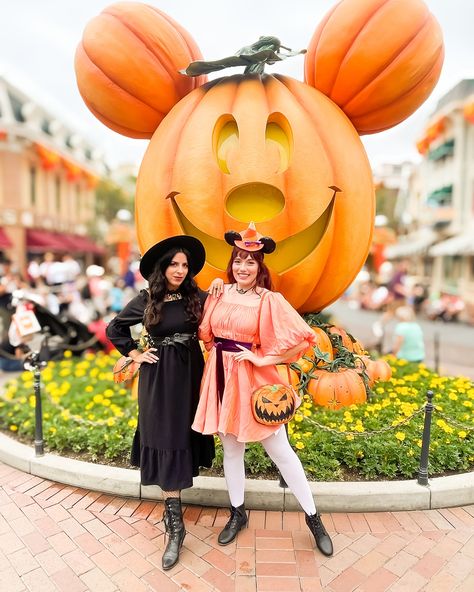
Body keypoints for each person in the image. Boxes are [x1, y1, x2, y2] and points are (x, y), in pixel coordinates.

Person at [192, 222, 333, 557]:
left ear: (260, 267)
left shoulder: (269, 299)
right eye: (238, 260)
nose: (243, 267)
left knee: (280, 451)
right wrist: (211, 288)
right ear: (232, 264)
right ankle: (237, 513)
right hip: (221, 377)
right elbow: (205, 335)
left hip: (255, 381)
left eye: (250, 262)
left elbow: (301, 338)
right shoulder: (218, 293)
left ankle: (314, 518)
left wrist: (260, 359)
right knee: (232, 451)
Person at [106, 236, 215, 570]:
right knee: (166, 439)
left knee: (183, 437)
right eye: (174, 264)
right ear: (162, 267)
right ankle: (176, 526)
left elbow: (224, 316)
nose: (180, 270)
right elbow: (115, 329)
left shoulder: (197, 296)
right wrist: (136, 354)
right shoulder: (146, 299)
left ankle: (174, 521)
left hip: (191, 378)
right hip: (159, 378)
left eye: (184, 265)